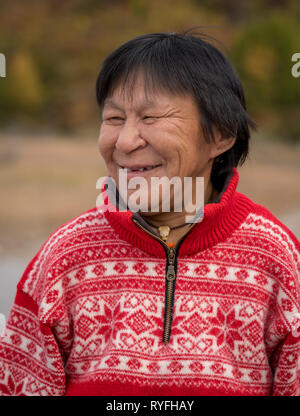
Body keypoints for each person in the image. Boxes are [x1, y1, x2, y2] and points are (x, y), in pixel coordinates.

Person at [0, 30, 299, 396]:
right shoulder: (65, 257)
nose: (125, 142)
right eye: (113, 118)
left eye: (151, 116)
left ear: (221, 134)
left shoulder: (277, 259)